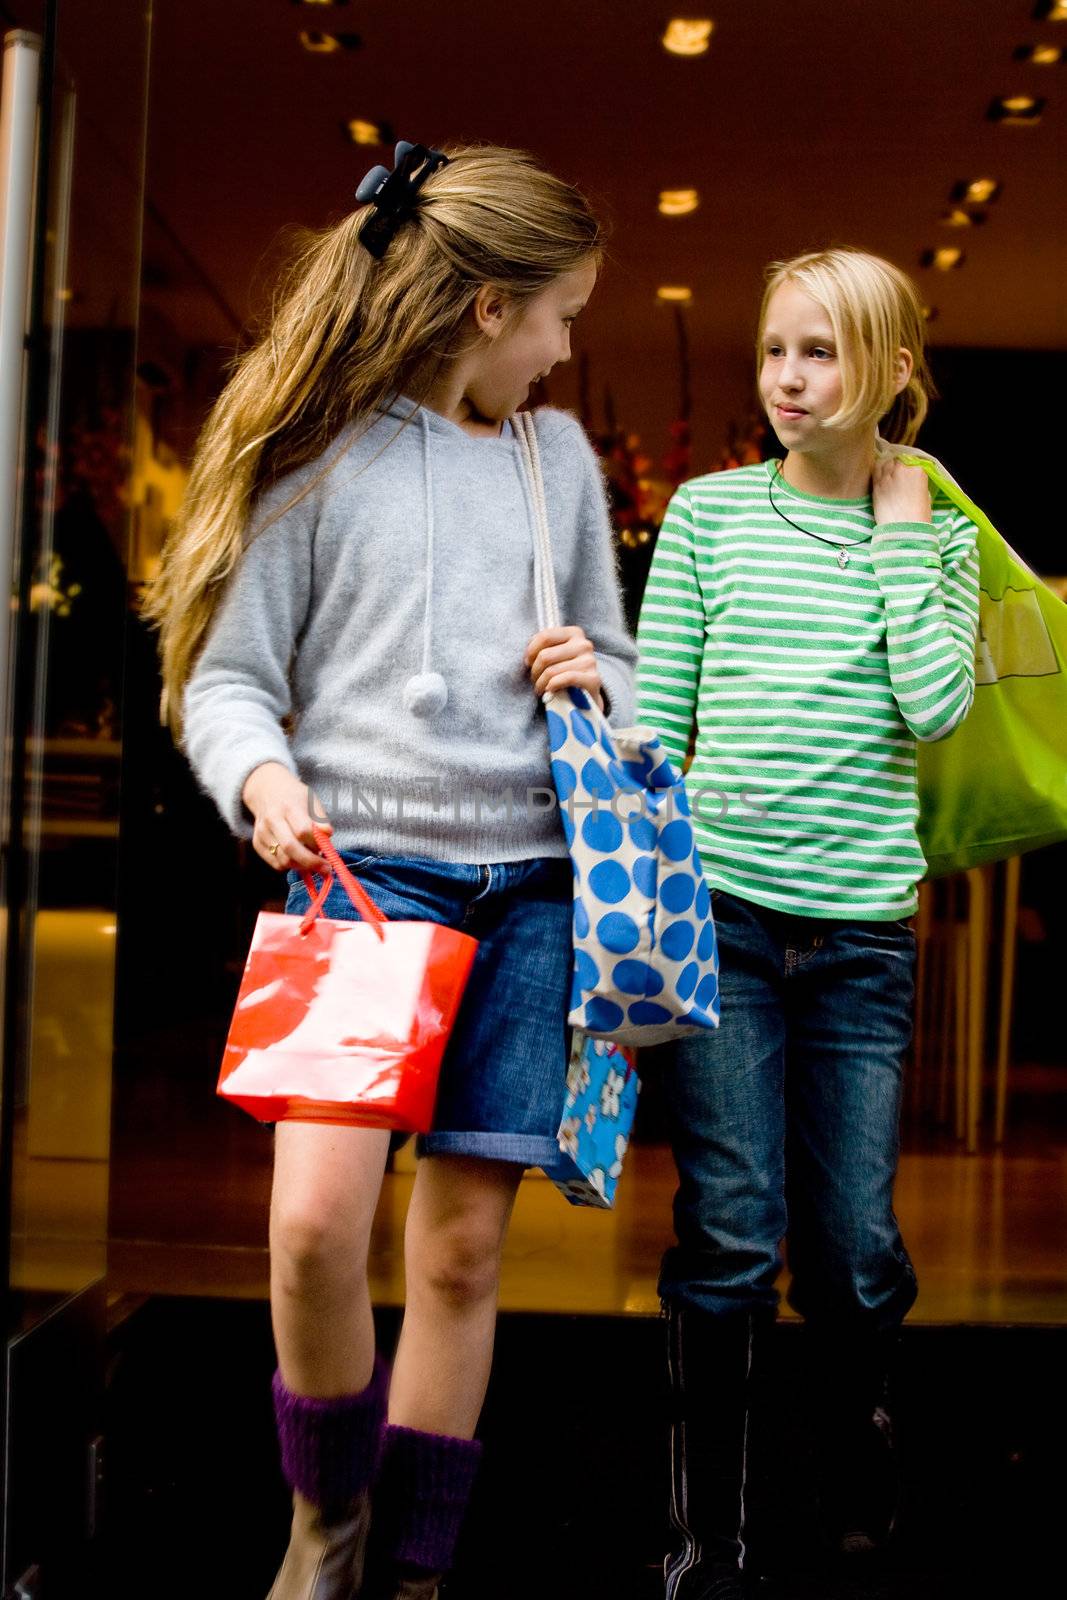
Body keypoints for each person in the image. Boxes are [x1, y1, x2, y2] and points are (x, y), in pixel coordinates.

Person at [147, 141, 636, 1600]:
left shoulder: (562, 465)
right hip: (360, 889)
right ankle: (328, 1518)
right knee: (310, 1231)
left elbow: (617, 664)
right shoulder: (315, 458)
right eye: (559, 315)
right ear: (487, 307)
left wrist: (590, 679)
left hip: (537, 888)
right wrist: (263, 778)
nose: (567, 347)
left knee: (463, 1258)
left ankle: (414, 1568)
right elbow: (226, 680)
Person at [636, 247, 980, 1597]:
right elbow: (658, 726)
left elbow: (939, 705)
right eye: (776, 348)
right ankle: (702, 1530)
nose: (788, 377)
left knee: (849, 1247)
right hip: (721, 918)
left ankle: (854, 1432)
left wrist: (900, 536)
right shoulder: (709, 516)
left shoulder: (937, 531)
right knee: (727, 1228)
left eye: (823, 352)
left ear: (893, 370)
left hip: (859, 943)